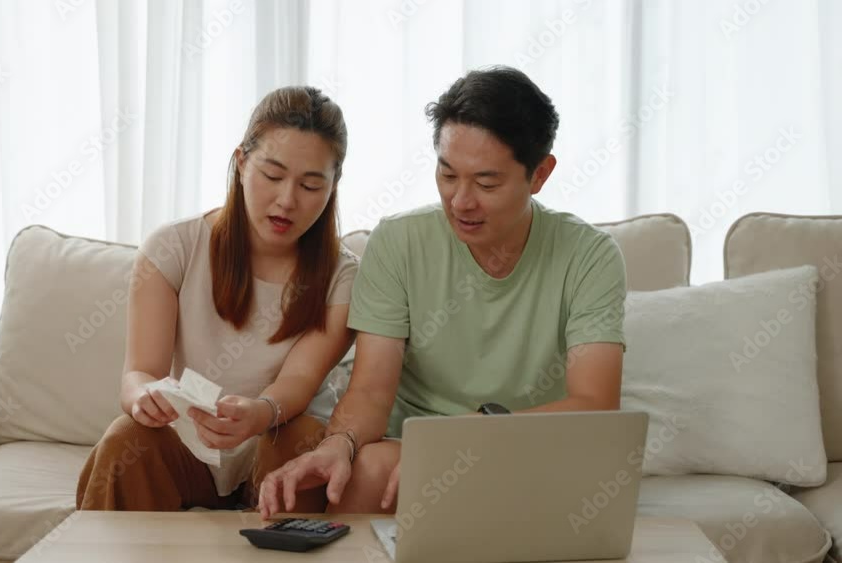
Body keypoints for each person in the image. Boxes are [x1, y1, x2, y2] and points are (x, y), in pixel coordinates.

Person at [258, 66, 627, 516]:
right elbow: (372, 391)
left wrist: (472, 438)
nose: (461, 201)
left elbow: (595, 404)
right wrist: (340, 443)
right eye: (448, 174)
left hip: (529, 447)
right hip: (411, 449)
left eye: (486, 183)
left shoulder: (589, 255)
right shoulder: (398, 241)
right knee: (368, 471)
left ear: (540, 174)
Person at [76, 86, 358, 512]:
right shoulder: (174, 247)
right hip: (186, 446)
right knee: (123, 440)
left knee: (301, 440)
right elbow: (139, 373)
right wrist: (143, 397)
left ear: (333, 185)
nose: (287, 200)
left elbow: (297, 382)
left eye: (310, 185)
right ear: (242, 163)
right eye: (273, 175)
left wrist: (259, 414)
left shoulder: (343, 276)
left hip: (273, 439)